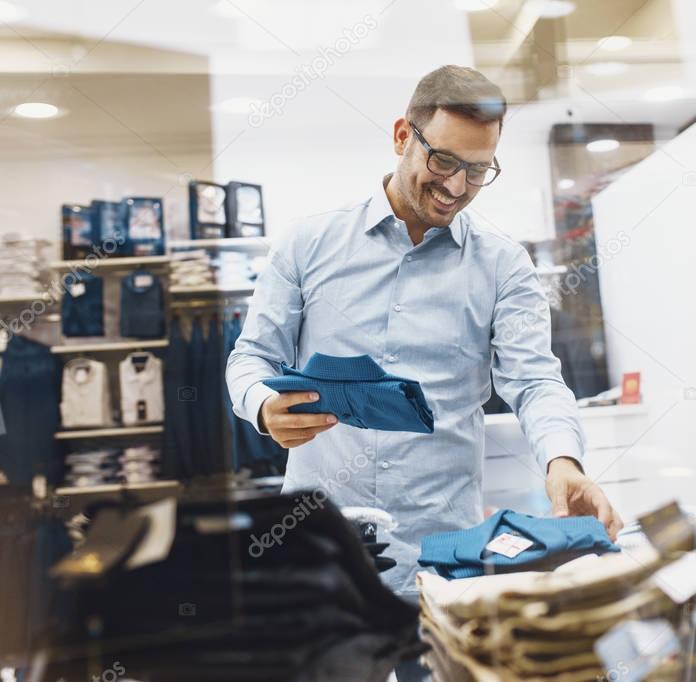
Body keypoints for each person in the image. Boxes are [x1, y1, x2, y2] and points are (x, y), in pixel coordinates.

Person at [225, 64, 622, 603]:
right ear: (400, 137)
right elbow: (250, 358)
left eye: (478, 170)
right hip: (318, 547)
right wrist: (263, 408)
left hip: (442, 557)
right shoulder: (308, 243)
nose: (456, 187)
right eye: (444, 160)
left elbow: (534, 381)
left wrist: (563, 462)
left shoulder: (504, 265)